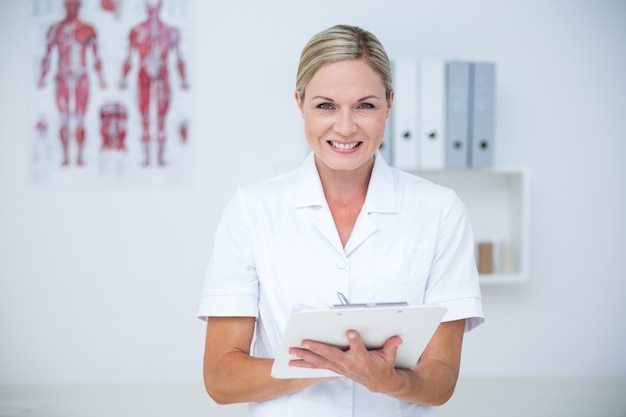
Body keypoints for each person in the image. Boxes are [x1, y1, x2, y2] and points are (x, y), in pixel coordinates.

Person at [198, 24, 484, 417]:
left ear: (389, 103)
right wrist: (329, 364)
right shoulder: (253, 209)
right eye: (325, 105)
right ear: (300, 104)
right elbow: (220, 377)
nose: (345, 127)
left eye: (365, 105)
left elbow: (442, 380)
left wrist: (388, 380)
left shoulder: (438, 210)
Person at [119, 0, 189, 166]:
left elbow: (179, 59)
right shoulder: (136, 31)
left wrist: (184, 80)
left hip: (162, 77)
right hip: (144, 77)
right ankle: (146, 157)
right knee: (144, 118)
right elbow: (129, 58)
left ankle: (160, 158)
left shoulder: (170, 32)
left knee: (160, 119)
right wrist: (122, 79)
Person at [37, 0, 107, 166]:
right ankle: (65, 157)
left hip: (81, 77)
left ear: (79, 6)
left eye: (74, 4)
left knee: (80, 118)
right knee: (64, 118)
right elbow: (47, 56)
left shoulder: (88, 29)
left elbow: (96, 56)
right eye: (69, 4)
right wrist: (42, 78)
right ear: (64, 6)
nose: (71, 8)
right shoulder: (55, 30)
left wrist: (101, 79)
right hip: (62, 77)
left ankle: (80, 156)